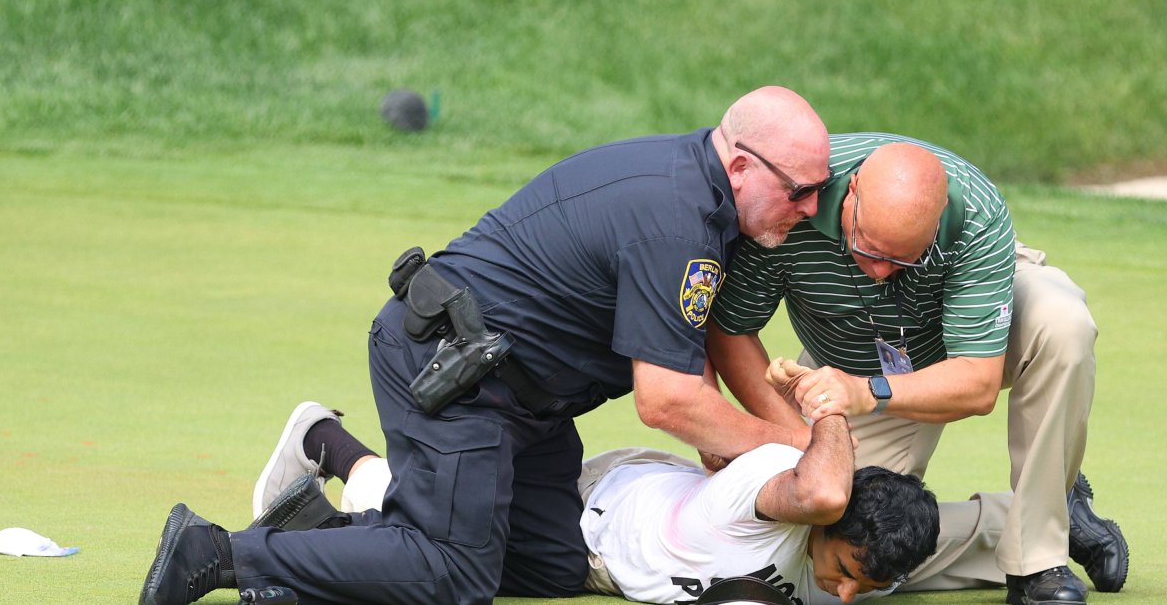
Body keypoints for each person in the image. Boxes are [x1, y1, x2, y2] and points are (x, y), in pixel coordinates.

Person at [138, 86, 834, 605]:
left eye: (819, 192)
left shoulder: (700, 198)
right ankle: (217, 552)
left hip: (523, 396)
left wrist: (761, 433)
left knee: (554, 565)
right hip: (456, 371)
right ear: (742, 166)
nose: (808, 209)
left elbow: (692, 341)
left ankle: (330, 529)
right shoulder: (678, 217)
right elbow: (666, 400)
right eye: (799, 191)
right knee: (454, 571)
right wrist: (794, 450)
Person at [706, 134, 1129, 605]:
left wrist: (868, 391)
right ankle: (1049, 512)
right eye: (867, 248)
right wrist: (793, 440)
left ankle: (1038, 561)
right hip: (850, 363)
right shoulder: (794, 192)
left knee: (1062, 322)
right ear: (850, 195)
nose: (881, 271)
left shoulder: (976, 213)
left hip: (962, 343)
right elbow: (730, 331)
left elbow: (977, 384)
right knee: (853, 548)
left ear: (938, 217)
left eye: (901, 258)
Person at [244, 397, 940, 605]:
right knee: (440, 545)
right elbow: (821, 481)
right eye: (847, 570)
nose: (845, 594)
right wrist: (833, 409)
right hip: (591, 511)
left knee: (443, 573)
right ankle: (323, 438)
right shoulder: (785, 485)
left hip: (590, 568)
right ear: (831, 514)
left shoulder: (862, 558)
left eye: (864, 585)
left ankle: (317, 532)